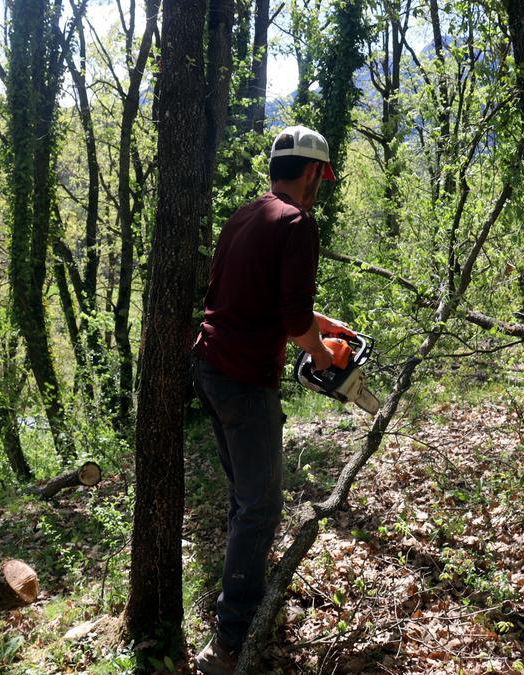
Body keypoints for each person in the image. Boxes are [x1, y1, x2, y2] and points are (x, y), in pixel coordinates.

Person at [190, 125, 351, 674]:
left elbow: (257, 297)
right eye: (319, 178)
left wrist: (323, 326)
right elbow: (291, 320)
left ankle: (243, 596)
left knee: (245, 500)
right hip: (244, 380)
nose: (318, 188)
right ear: (311, 172)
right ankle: (230, 641)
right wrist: (323, 354)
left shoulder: (246, 215)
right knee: (259, 508)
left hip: (209, 366)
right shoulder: (299, 224)